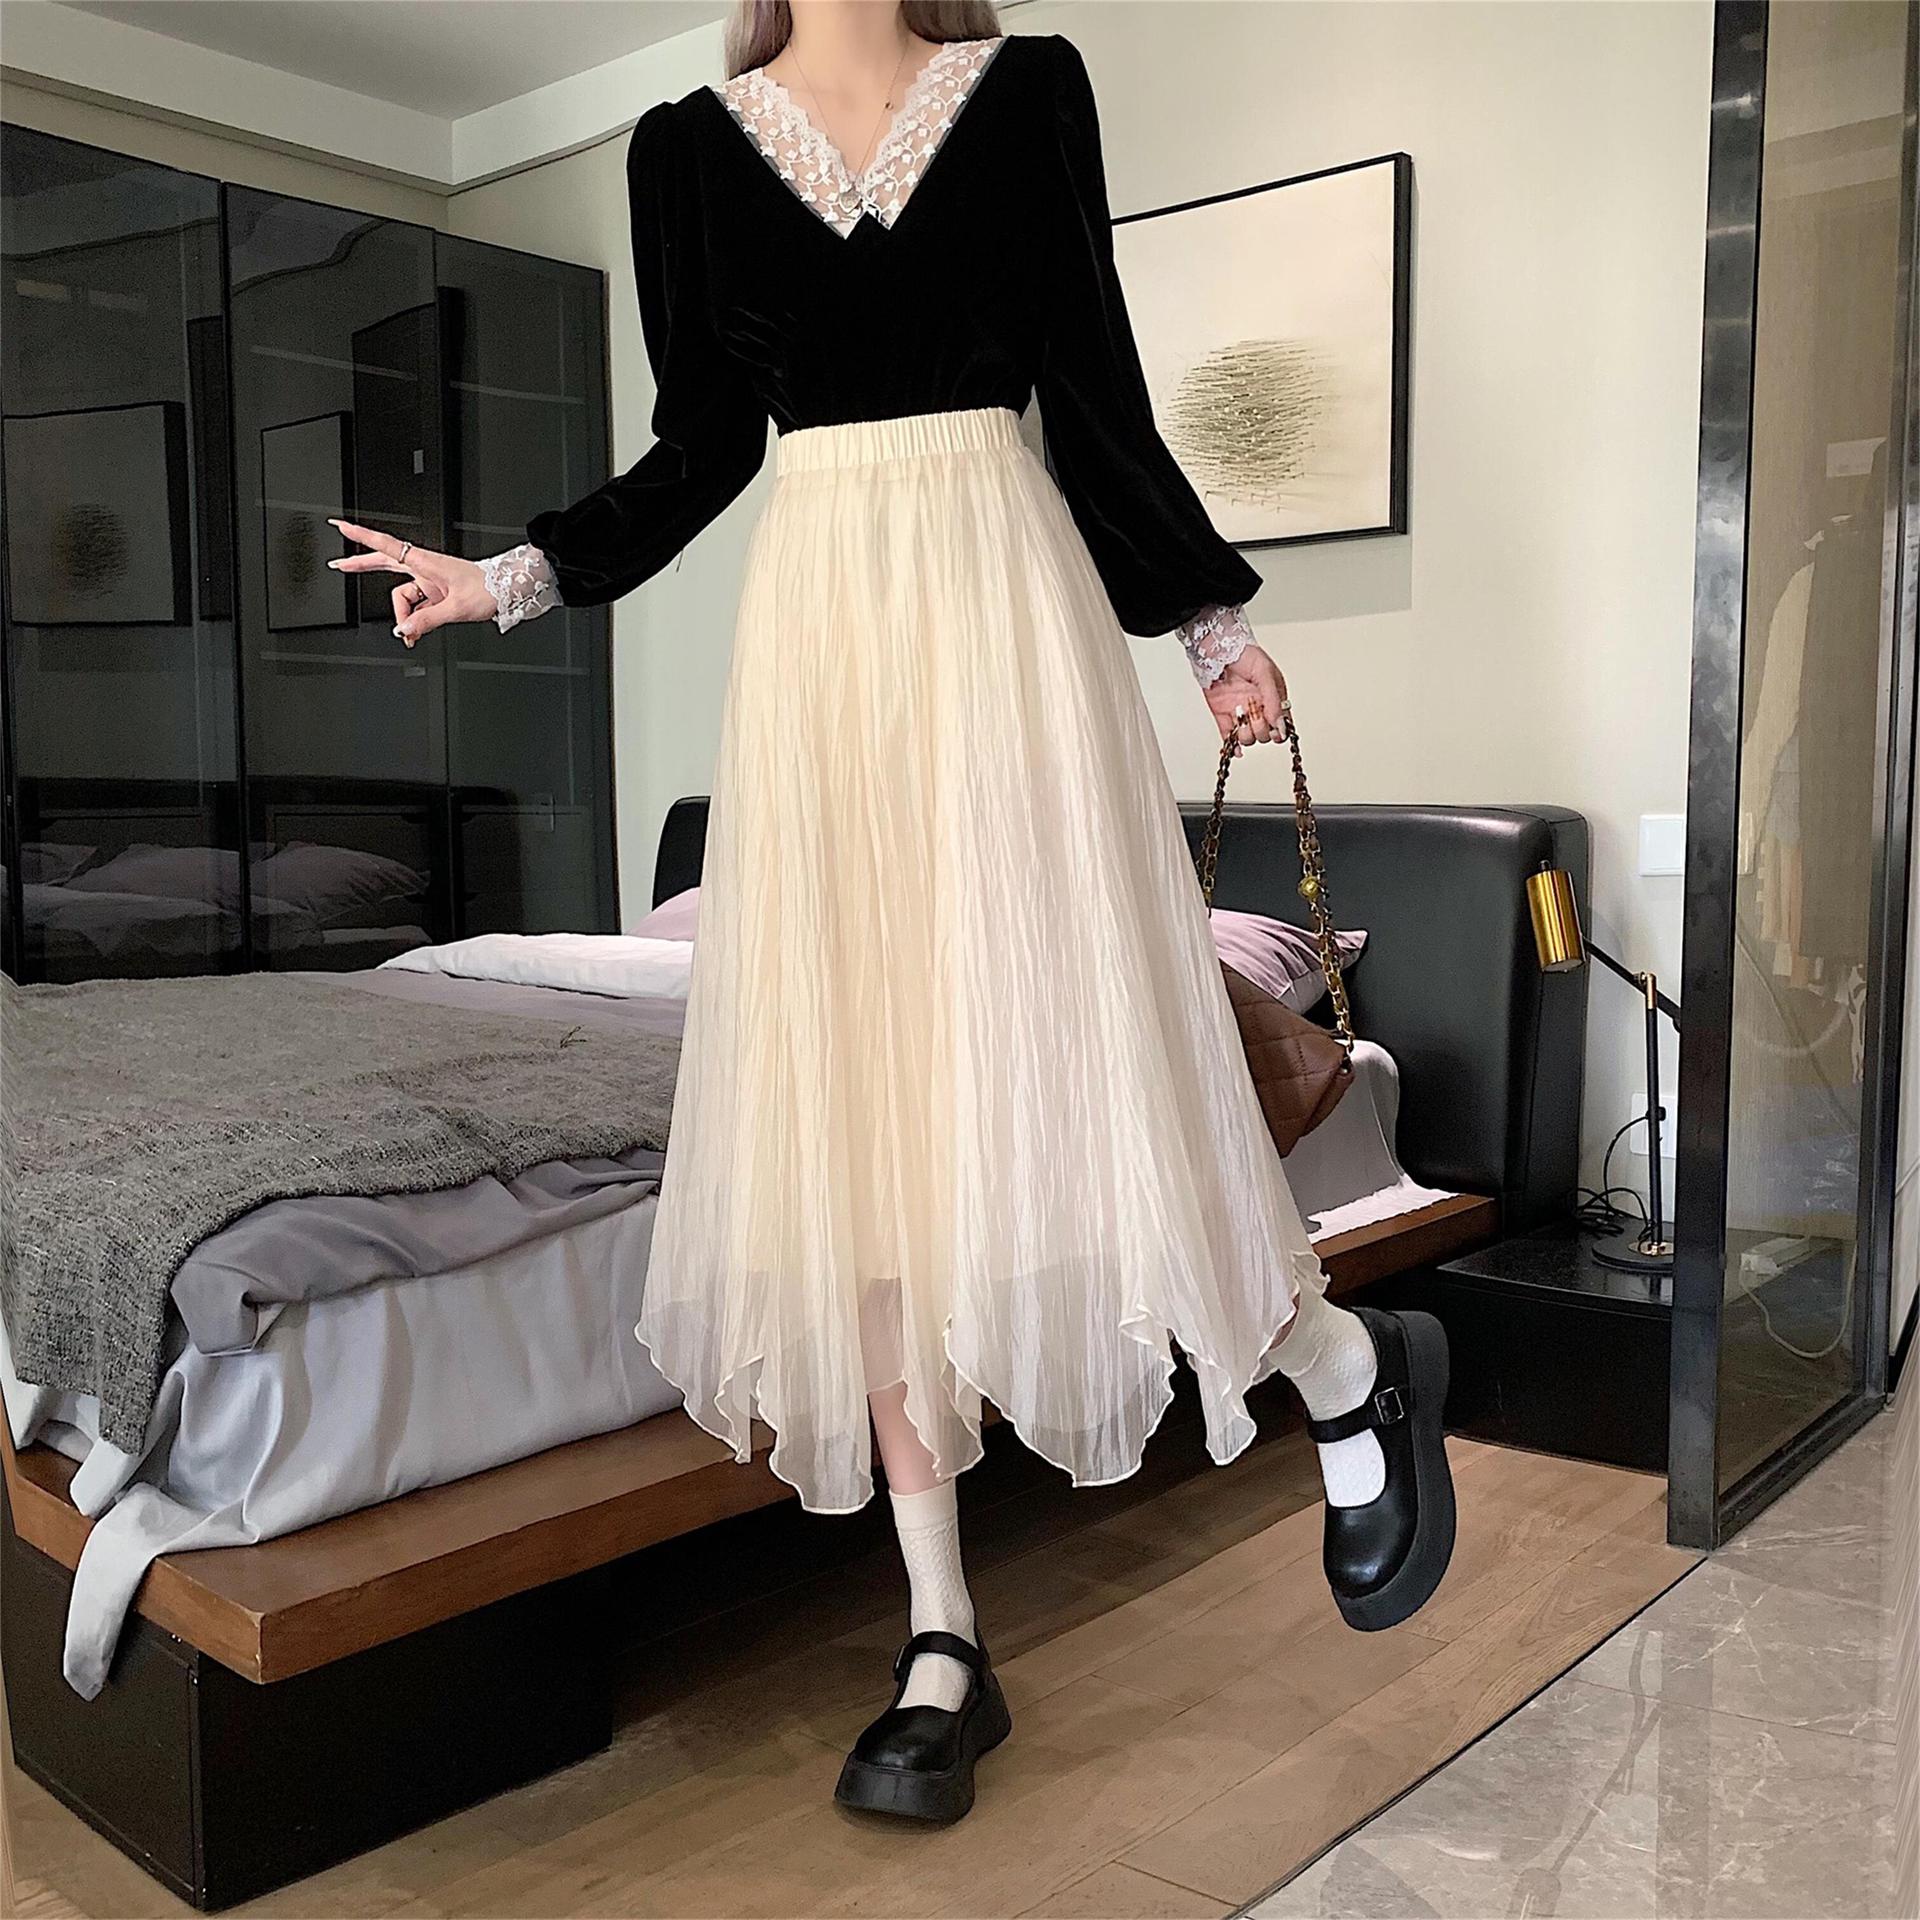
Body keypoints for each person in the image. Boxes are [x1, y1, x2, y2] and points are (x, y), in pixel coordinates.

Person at [330, 0, 1455, 1827]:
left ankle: (1343, 1361)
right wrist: (515, 572)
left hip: (1006, 607)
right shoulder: (686, 150)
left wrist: (1210, 628)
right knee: (854, 1124)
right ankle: (941, 1632)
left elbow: (1091, 380)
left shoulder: (1028, 91)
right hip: (821, 641)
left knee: (1092, 1058)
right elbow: (703, 443)